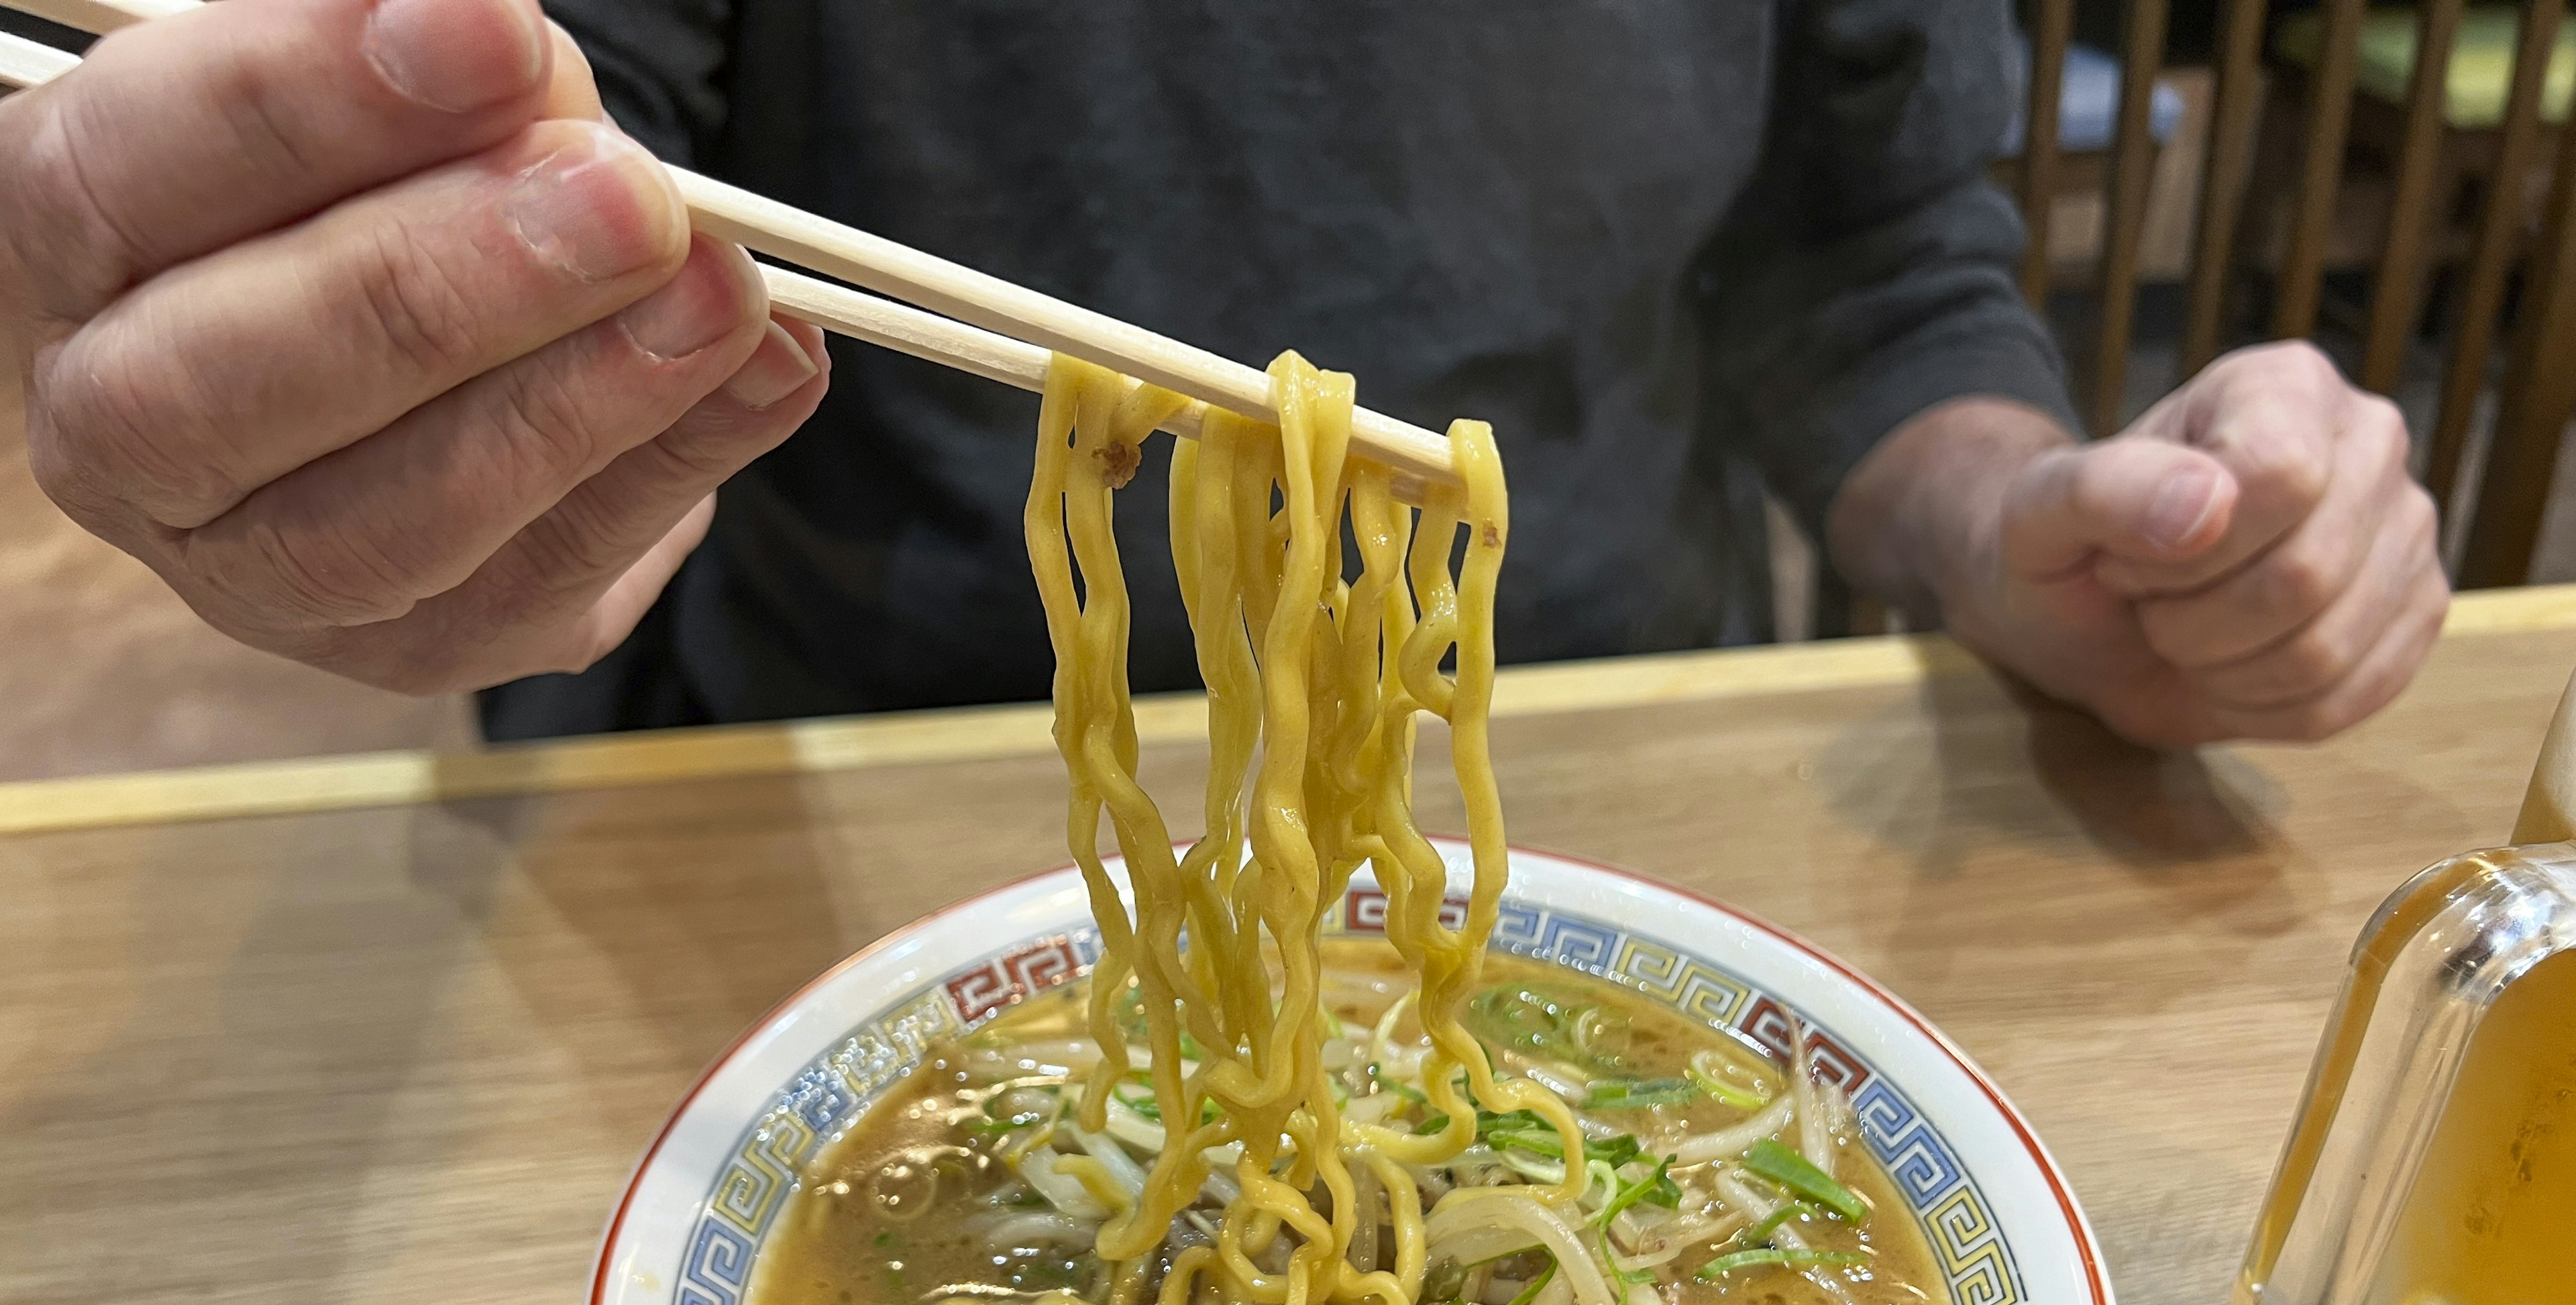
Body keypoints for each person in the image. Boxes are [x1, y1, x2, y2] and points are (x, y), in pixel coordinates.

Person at [0, 0, 2447, 751]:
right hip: (833, 793)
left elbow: (1878, 267)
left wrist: (2037, 523)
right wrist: (419, 386)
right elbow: (576, 172)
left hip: (1623, 771)